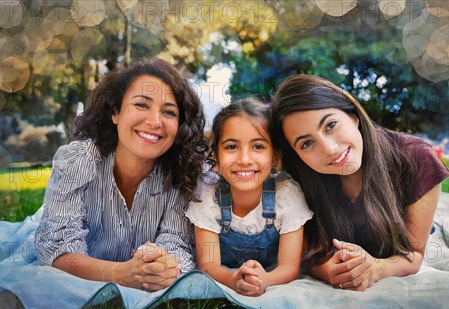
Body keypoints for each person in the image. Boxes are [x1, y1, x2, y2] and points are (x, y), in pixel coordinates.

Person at [35, 59, 208, 292]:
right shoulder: (76, 160)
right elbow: (56, 249)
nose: (154, 121)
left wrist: (161, 265)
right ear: (115, 112)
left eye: (168, 112)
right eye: (141, 105)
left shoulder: (183, 171)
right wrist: (121, 273)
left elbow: (177, 244)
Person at [270, 75, 449, 291]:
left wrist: (377, 267)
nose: (329, 149)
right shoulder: (299, 178)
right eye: (307, 143)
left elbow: (414, 254)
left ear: (353, 116)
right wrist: (328, 270)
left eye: (331, 125)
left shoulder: (418, 159)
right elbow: (307, 253)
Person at [186, 99, 313, 296]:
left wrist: (264, 280)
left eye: (258, 147)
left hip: (271, 273)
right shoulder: (208, 198)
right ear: (216, 159)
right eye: (231, 147)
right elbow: (208, 265)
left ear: (275, 158)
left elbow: (289, 268)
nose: (244, 160)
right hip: (228, 274)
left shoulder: (287, 196)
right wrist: (233, 280)